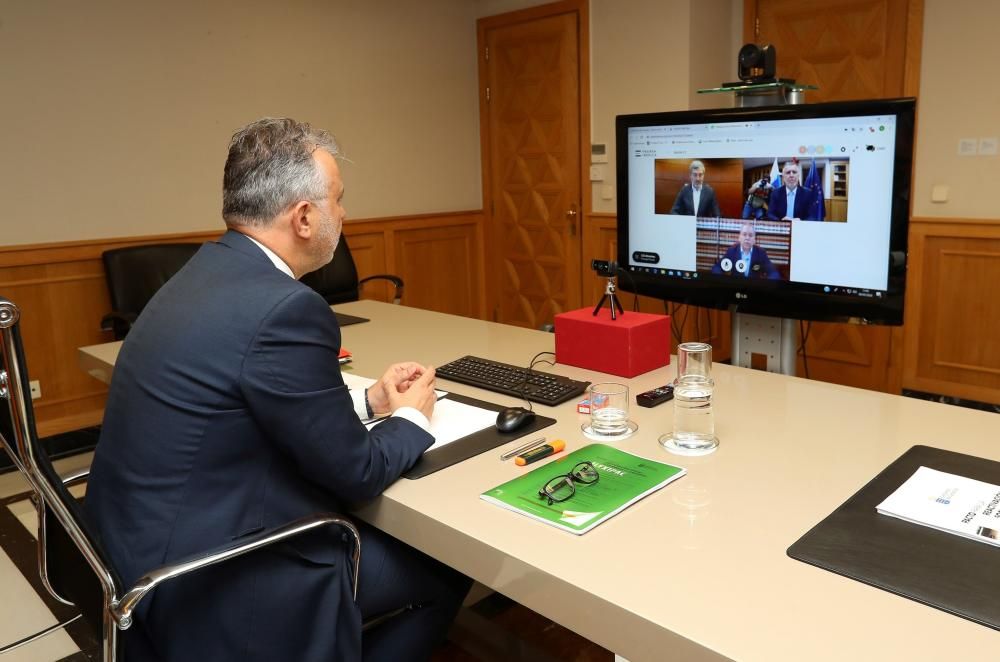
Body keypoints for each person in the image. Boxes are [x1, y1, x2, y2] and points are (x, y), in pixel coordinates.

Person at [84, 118, 471, 661]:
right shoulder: (286, 308)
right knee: (447, 571)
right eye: (338, 200)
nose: (344, 215)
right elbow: (356, 473)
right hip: (219, 575)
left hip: (131, 545)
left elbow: (249, 402)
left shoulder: (204, 271)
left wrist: (371, 403)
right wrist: (411, 418)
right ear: (305, 217)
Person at [711, 222, 780, 280]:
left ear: (754, 240)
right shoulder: (732, 251)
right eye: (744, 234)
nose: (747, 238)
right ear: (739, 237)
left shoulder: (761, 253)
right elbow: (717, 267)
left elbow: (773, 272)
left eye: (750, 235)